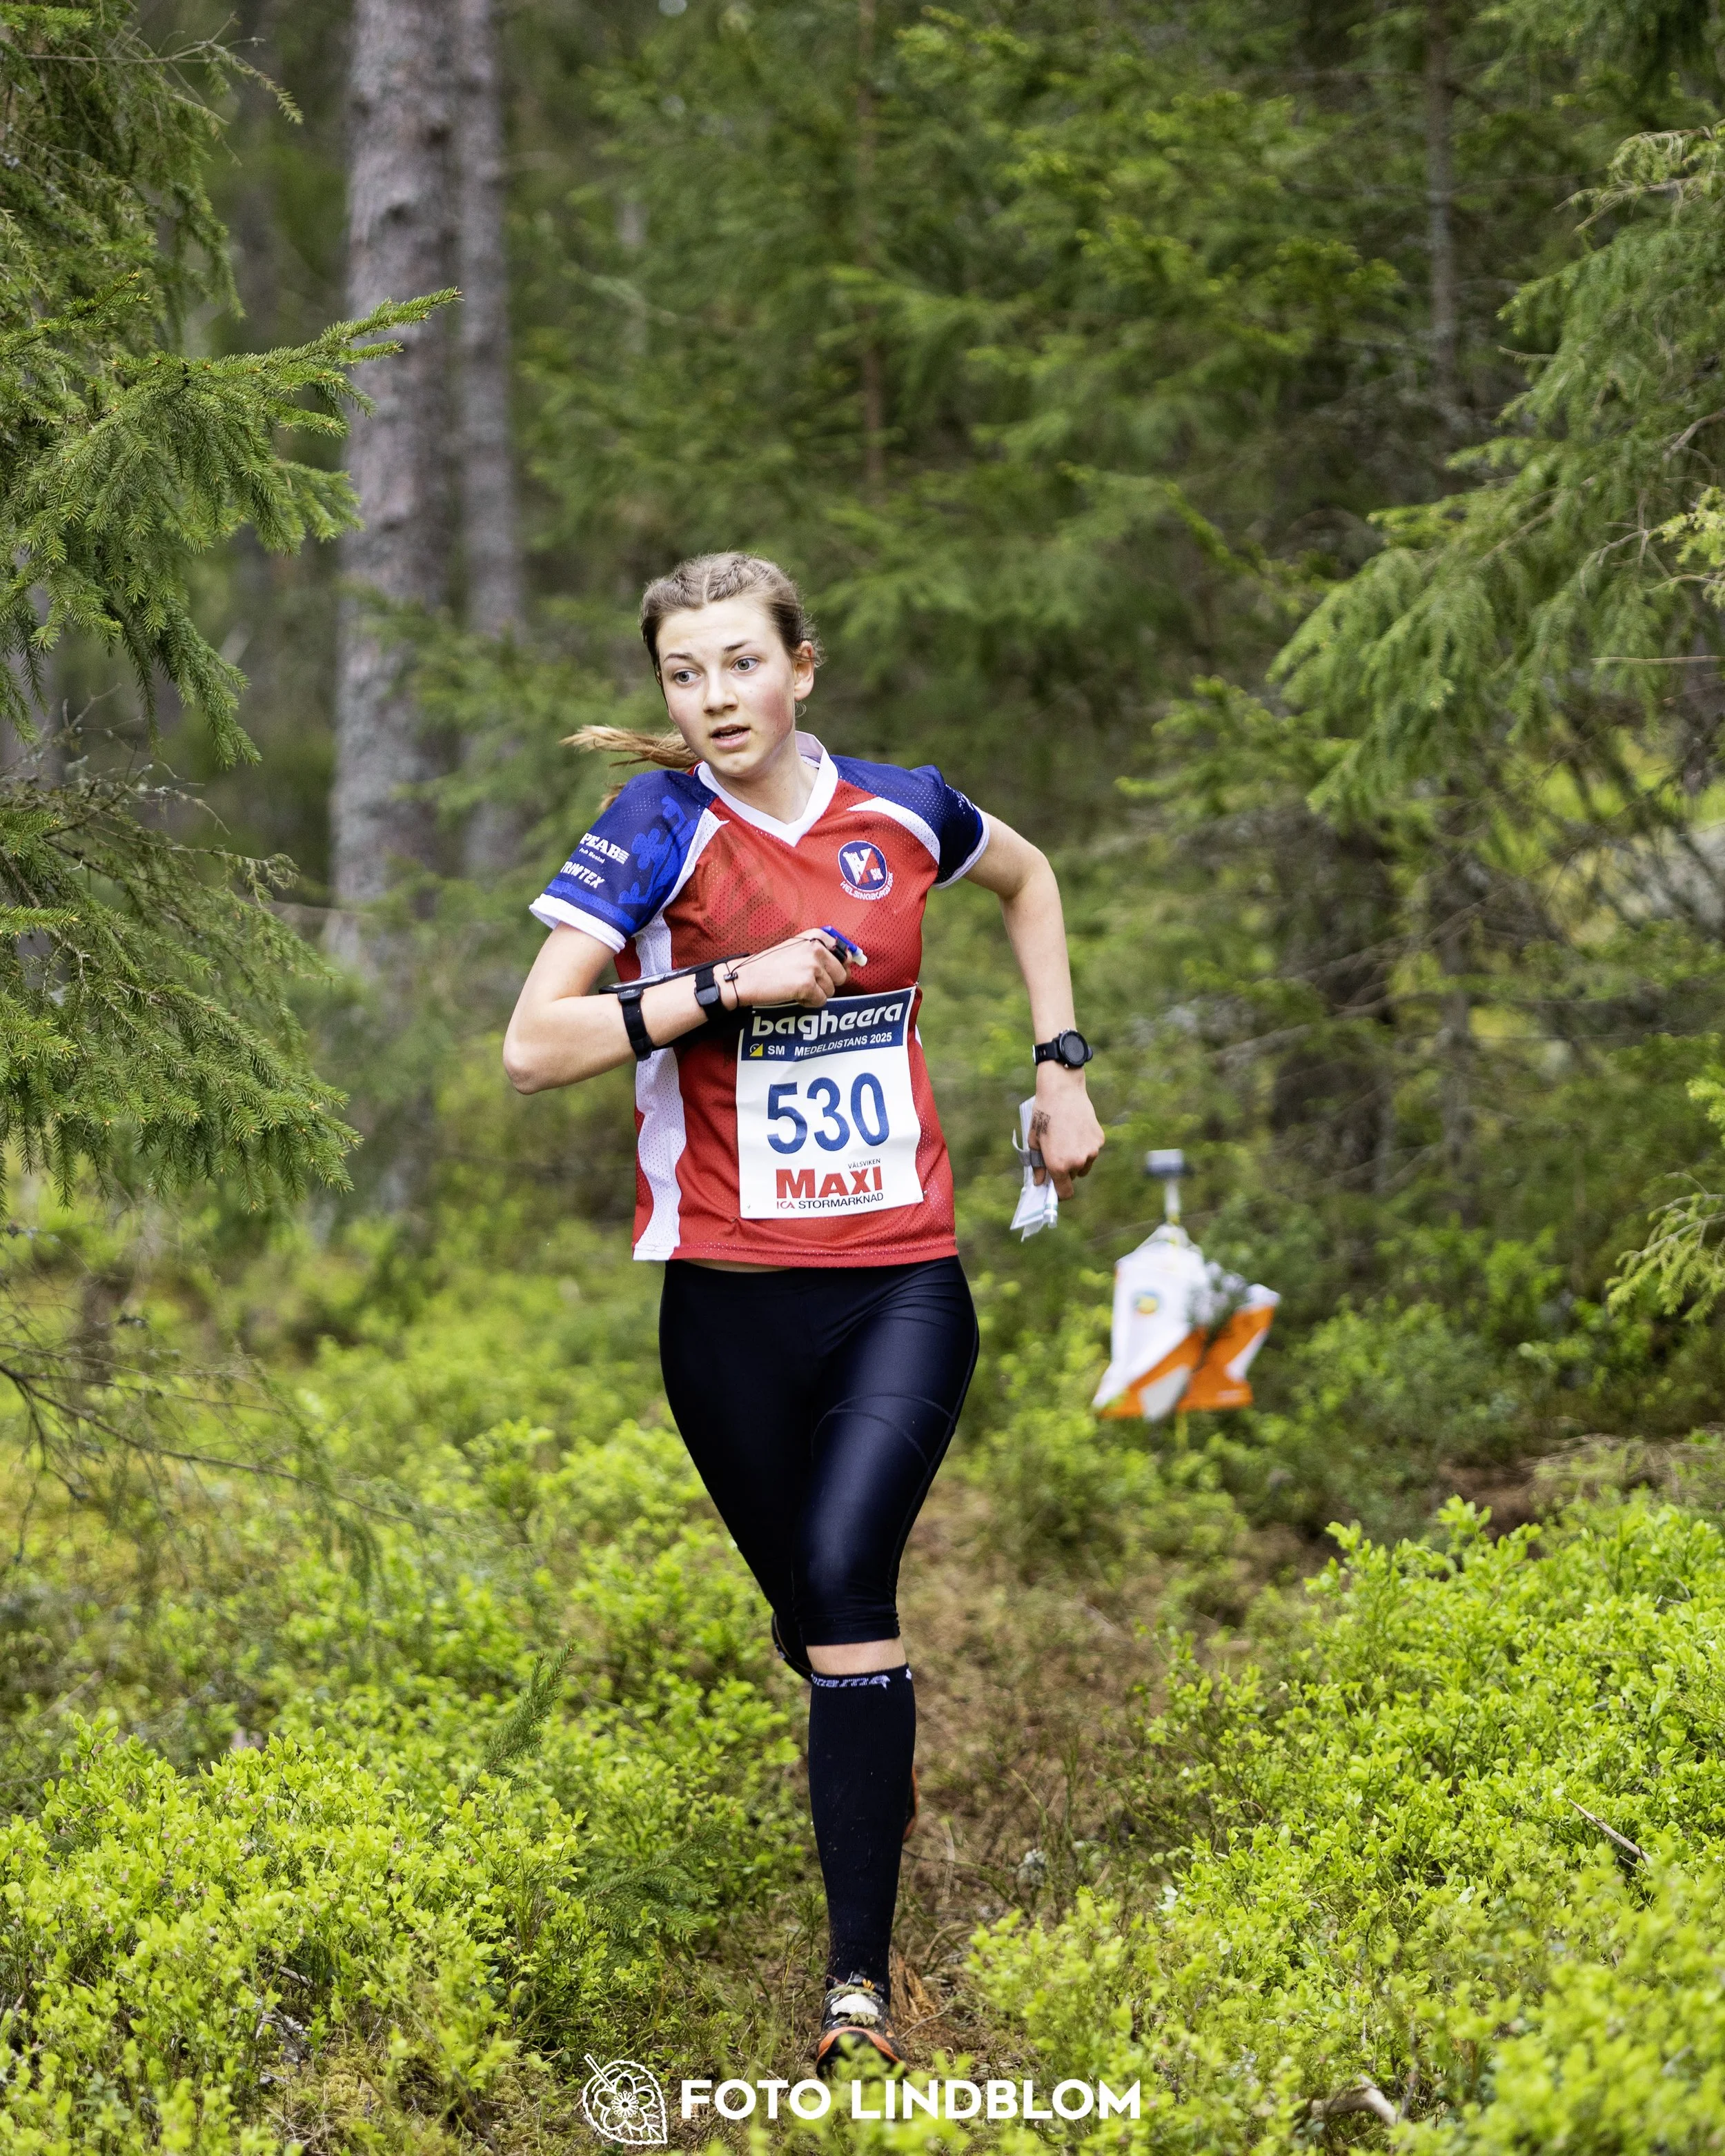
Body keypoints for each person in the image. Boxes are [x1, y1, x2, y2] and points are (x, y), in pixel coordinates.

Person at [503, 552, 1103, 2072]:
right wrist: (725, 986)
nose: (712, 698)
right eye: (683, 674)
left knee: (848, 1577)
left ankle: (855, 1987)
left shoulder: (899, 809)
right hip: (725, 1302)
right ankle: (866, 1726)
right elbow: (531, 1045)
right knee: (813, 1619)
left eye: (738, 664)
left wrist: (1060, 1063)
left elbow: (1027, 879)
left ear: (801, 668)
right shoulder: (654, 828)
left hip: (903, 1275)